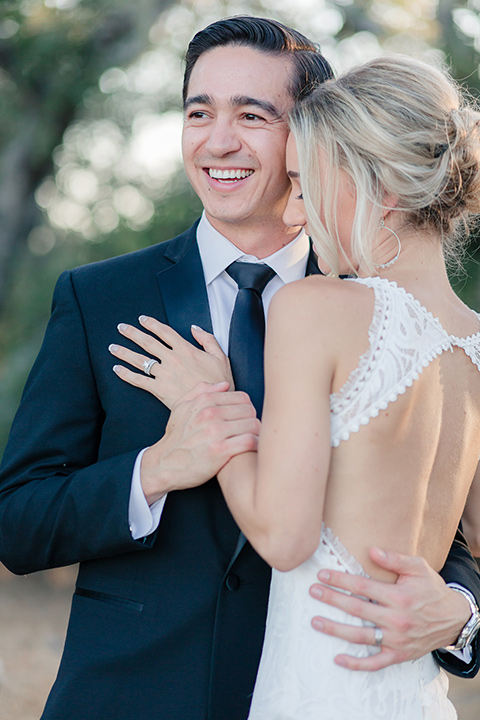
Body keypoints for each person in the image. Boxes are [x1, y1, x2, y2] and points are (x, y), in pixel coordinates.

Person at [0, 16, 478, 720]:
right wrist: (155, 469)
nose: (218, 140)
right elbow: (18, 521)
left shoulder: (371, 301)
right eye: (200, 112)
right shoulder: (99, 298)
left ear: (311, 133)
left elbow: (447, 531)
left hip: (322, 683)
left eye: (252, 115)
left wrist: (461, 613)